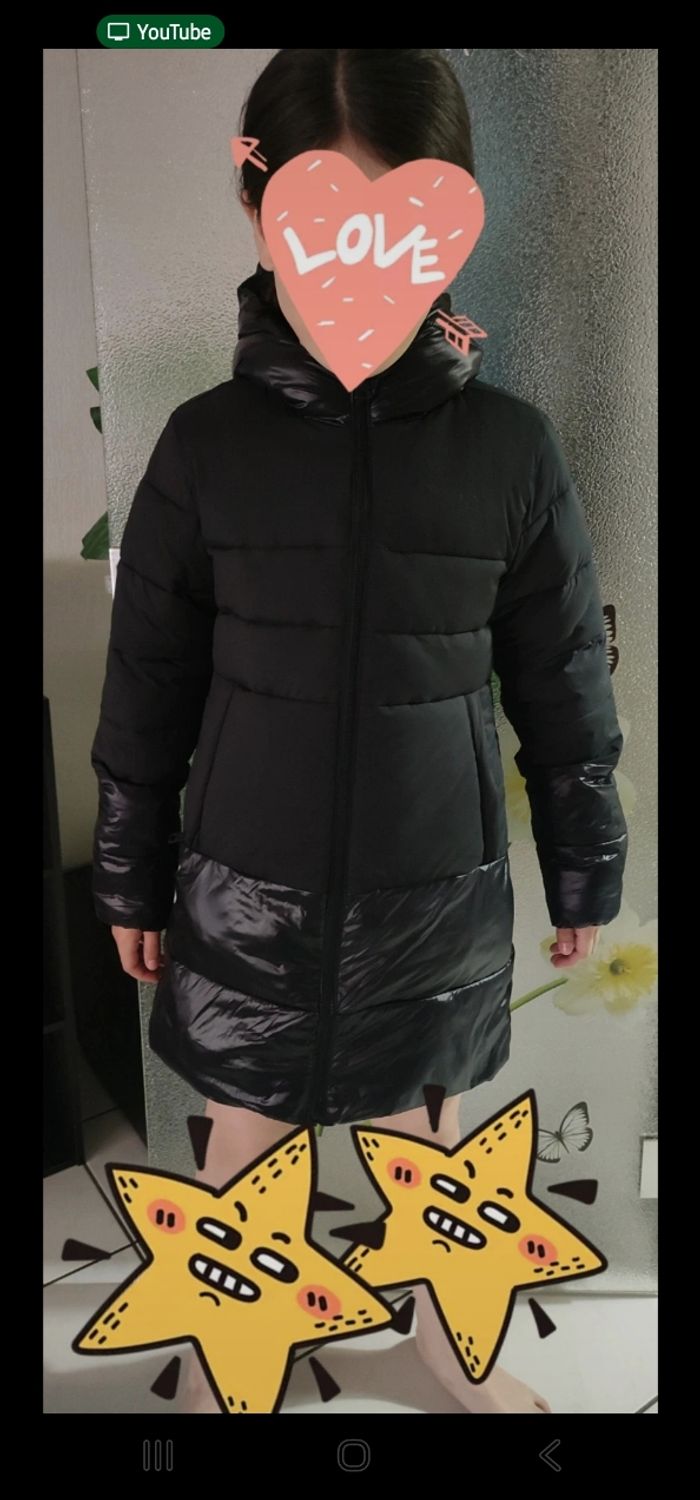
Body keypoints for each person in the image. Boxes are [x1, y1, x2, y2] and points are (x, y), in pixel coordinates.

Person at [90, 48, 628, 1414]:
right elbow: (147, 680)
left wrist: (585, 866)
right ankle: (236, 1366)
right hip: (241, 893)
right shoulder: (205, 447)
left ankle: (448, 1357)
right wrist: (129, 873)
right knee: (240, 1159)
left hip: (431, 896)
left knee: (432, 1162)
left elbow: (563, 678)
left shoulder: (510, 449)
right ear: (259, 203)